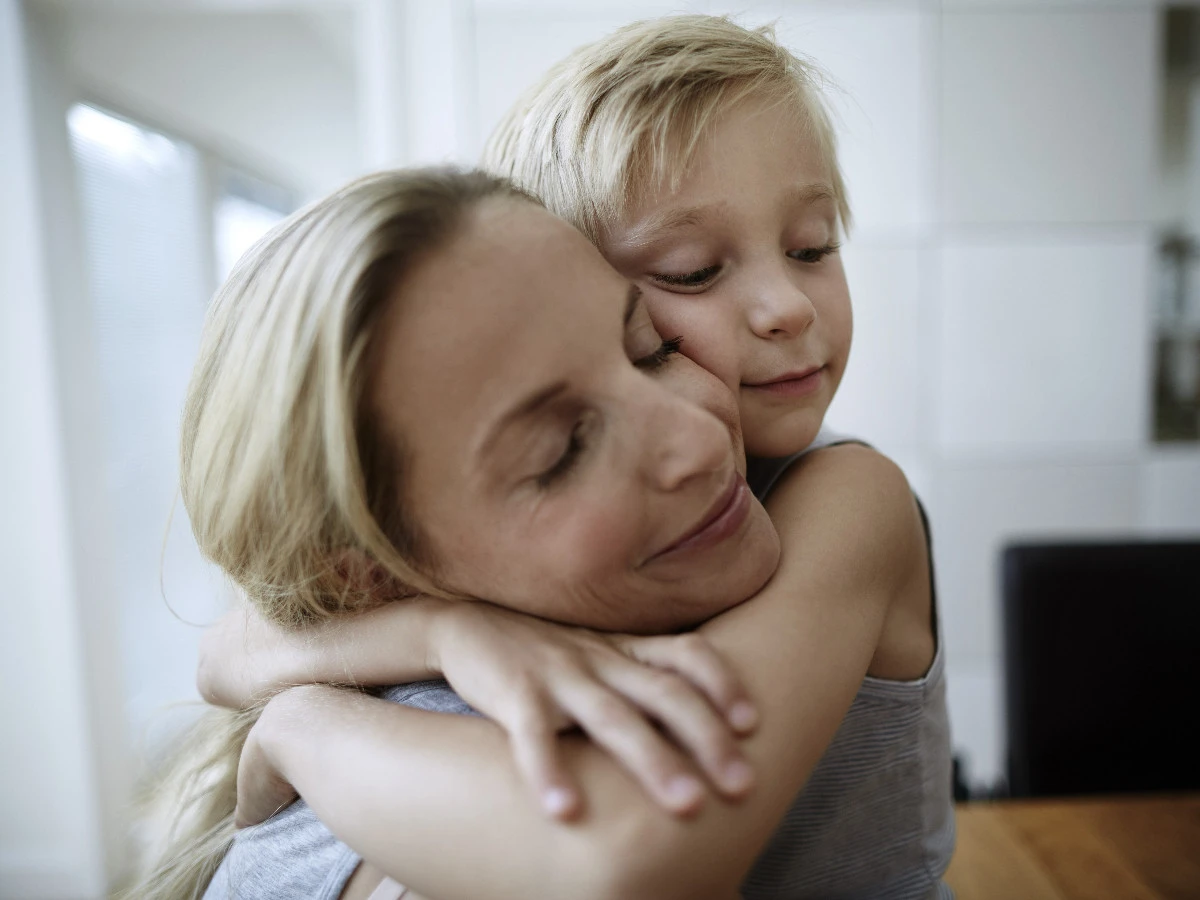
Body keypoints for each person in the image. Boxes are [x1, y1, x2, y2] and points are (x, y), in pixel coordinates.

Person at [188, 14, 952, 900]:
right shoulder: (493, 591)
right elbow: (231, 649)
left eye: (815, 247)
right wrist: (437, 633)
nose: (789, 305)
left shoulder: (844, 495)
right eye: (692, 271)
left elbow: (635, 850)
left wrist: (301, 725)